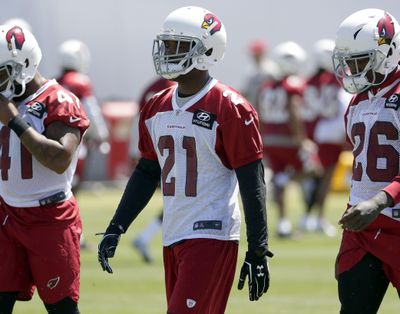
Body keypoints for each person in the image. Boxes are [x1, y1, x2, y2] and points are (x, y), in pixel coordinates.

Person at [98, 6, 272, 313]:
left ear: (207, 50)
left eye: (178, 45)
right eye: (166, 44)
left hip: (211, 234)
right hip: (173, 234)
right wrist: (117, 225)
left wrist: (258, 249)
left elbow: (252, 181)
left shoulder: (230, 107)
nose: (167, 52)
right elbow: (146, 171)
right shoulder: (156, 106)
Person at [0, 25, 89, 314]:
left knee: (61, 309)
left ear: (23, 66)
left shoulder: (59, 100)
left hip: (50, 217)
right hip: (5, 213)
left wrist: (14, 119)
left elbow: (60, 157)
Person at [333, 8, 400, 313]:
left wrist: (380, 201)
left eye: (360, 60)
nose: (351, 69)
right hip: (361, 229)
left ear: (388, 52)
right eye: (348, 61)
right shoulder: (357, 101)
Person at [258, 41, 321, 237]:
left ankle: (283, 224)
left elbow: (259, 112)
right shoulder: (292, 84)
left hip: (269, 138)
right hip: (288, 139)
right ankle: (288, 183)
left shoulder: (267, 86)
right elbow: (294, 112)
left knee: (279, 181)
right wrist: (301, 139)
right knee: (315, 171)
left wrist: (262, 136)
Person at [298, 39, 349, 236]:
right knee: (324, 178)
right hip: (328, 134)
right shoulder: (333, 80)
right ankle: (317, 217)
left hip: (310, 134)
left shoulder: (306, 81)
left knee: (311, 178)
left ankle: (309, 216)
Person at [129, 76, 175, 263]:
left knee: (175, 203)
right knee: (179, 202)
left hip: (152, 150)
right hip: (169, 151)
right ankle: (146, 237)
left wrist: (135, 152)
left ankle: (145, 237)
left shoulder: (151, 87)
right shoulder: (174, 87)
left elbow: (136, 121)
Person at [57, 39, 109, 195]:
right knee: (72, 187)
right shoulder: (81, 82)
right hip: (76, 140)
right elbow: (91, 112)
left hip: (54, 139)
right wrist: (101, 135)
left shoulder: (54, 82)